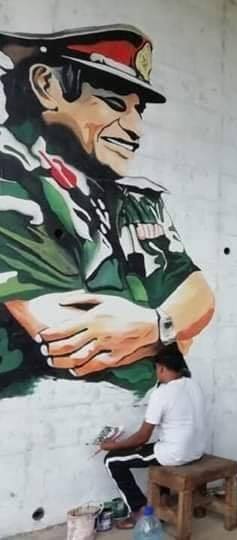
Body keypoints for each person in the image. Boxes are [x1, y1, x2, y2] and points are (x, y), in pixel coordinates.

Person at [0, 26, 214, 396]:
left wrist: (155, 326)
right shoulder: (11, 183)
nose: (136, 129)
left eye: (138, 110)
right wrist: (172, 333)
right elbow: (74, 346)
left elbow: (200, 294)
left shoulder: (131, 196)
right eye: (114, 103)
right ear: (46, 86)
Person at [102, 344, 207, 529]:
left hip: (176, 454)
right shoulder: (194, 385)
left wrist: (113, 445)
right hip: (196, 450)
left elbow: (142, 437)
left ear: (162, 368)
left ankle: (139, 511)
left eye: (156, 369)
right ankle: (163, 501)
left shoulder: (162, 393)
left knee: (112, 460)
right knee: (154, 448)